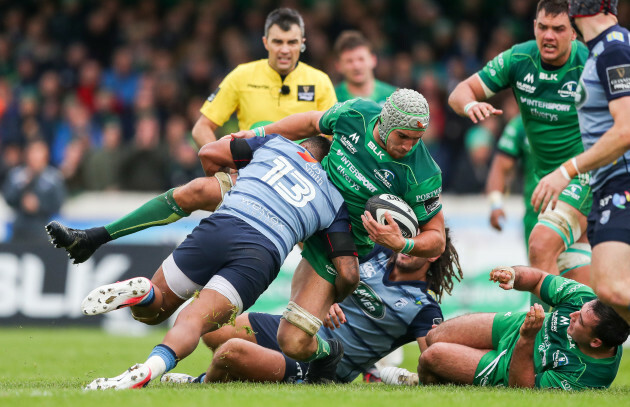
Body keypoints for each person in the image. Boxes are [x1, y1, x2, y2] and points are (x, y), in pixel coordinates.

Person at [45, 7, 337, 263]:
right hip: (251, 174)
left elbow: (329, 139)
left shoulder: (320, 82)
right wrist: (223, 158)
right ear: (265, 43)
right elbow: (201, 127)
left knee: (317, 250)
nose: (284, 49)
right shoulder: (242, 75)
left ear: (302, 43)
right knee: (193, 190)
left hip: (297, 182)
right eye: (277, 42)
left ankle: (341, 305)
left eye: (291, 42)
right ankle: (93, 238)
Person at [82, 134, 359, 390]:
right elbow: (347, 273)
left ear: (303, 145)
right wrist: (333, 297)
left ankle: (145, 291)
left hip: (223, 224)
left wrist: (232, 181)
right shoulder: (335, 200)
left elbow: (210, 152)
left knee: (151, 312)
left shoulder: (275, 144)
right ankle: (147, 369)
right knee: (192, 321)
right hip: (260, 252)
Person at [159, 229, 461, 384]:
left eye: (419, 242)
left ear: (433, 254)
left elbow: (434, 359)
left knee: (230, 352)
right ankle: (247, 371)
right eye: (408, 235)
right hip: (298, 328)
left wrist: (409, 378)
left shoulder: (424, 308)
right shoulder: (373, 254)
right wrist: (325, 300)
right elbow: (316, 253)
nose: (409, 244)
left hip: (320, 367)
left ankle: (200, 385)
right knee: (212, 328)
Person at [448, 0, 592, 286]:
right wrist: (469, 106)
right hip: (543, 187)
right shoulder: (518, 59)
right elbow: (459, 93)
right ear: (534, 26)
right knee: (579, 286)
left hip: (583, 174)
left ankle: (544, 330)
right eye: (543, 27)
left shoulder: (590, 63)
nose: (548, 35)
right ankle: (559, 325)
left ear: (574, 33)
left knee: (540, 245)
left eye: (559, 29)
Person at [532, 0, 630, 323]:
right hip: (607, 184)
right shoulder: (601, 49)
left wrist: (567, 171)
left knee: (613, 289)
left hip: (622, 181)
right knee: (607, 290)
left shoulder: (613, 50)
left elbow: (625, 130)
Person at [382, 265, 629, 390]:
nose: (574, 314)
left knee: (431, 356)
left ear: (596, 342)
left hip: (512, 364)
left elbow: (523, 388)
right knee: (434, 336)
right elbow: (540, 279)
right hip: (514, 326)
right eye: (580, 310)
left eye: (581, 321)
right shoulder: (583, 299)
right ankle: (437, 379)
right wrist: (514, 275)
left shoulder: (587, 376)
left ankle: (423, 382)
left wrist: (527, 337)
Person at [487, 115, 591, 292]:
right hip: (535, 213)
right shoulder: (520, 125)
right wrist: (496, 204)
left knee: (580, 285)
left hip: (577, 207)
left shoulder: (581, 118)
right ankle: (549, 318)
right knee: (541, 275)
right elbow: (501, 166)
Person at [2, 139, 66, 243]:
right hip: (19, 227)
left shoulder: (53, 177)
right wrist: (21, 193)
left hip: (43, 228)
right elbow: (8, 198)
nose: (35, 157)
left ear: (46, 156)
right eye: (32, 153)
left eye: (38, 153)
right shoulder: (17, 175)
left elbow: (58, 204)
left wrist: (39, 205)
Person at [333, 30, 397, 105]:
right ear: (338, 66)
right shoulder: (332, 98)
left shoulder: (393, 96)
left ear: (373, 60)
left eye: (361, 59)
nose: (356, 66)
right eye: (349, 61)